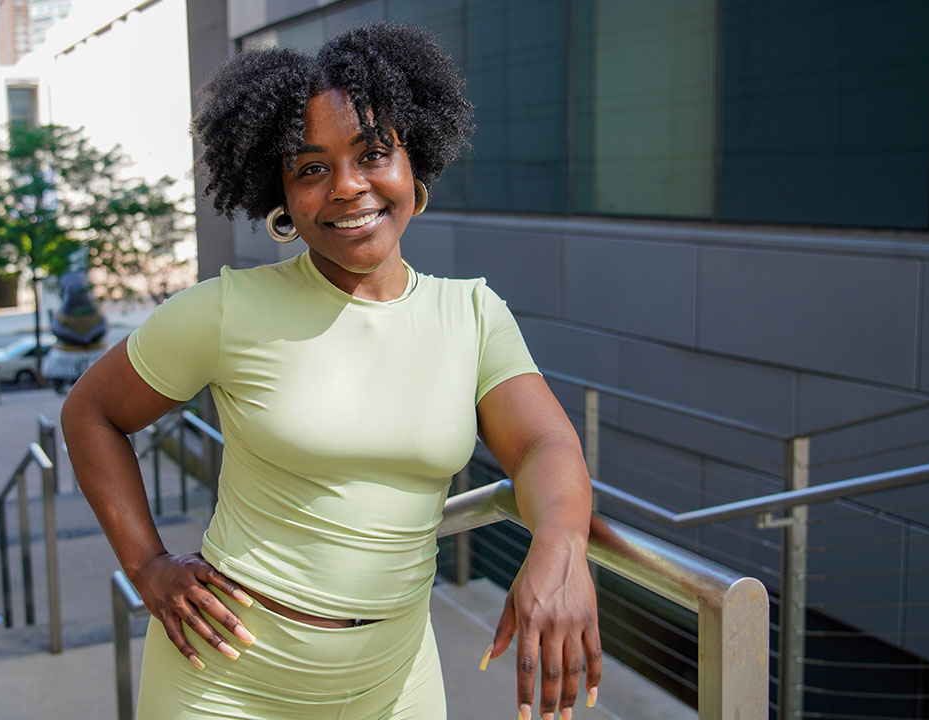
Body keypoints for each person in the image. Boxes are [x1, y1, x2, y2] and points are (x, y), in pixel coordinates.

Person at [61, 22, 600, 720]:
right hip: (225, 683)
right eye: (312, 168)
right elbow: (92, 413)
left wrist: (560, 547)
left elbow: (543, 445)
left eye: (373, 153)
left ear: (415, 165)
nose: (348, 187)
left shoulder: (471, 314)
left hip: (395, 682)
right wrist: (146, 566)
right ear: (280, 194)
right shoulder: (226, 310)